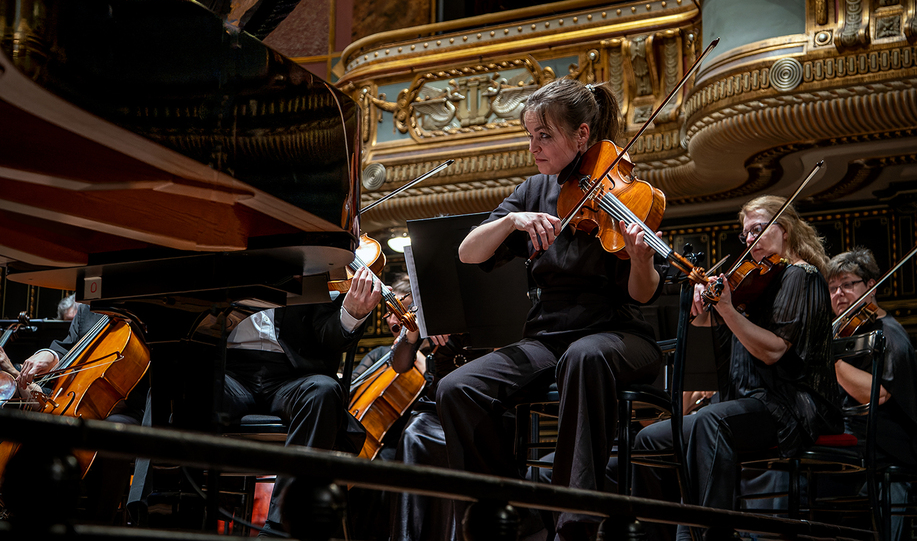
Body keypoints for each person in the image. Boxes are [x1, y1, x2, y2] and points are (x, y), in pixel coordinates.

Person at [438, 78, 665, 541]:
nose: (533, 146)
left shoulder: (626, 193)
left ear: (581, 135)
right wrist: (510, 220)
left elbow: (642, 295)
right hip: (547, 339)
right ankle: (513, 521)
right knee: (456, 388)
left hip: (618, 333)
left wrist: (641, 259)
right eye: (529, 135)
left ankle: (574, 522)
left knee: (585, 356)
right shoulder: (533, 191)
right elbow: (467, 253)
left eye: (545, 135)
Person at [631, 195, 843, 541]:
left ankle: (712, 535)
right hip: (744, 401)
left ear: (785, 230)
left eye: (758, 230)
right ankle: (657, 535)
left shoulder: (800, 277)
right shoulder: (754, 285)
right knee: (649, 438)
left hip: (788, 405)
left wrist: (727, 309)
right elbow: (716, 343)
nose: (750, 240)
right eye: (746, 234)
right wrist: (703, 311)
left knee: (710, 422)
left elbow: (773, 351)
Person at [221, 267, 382, 537]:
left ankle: (282, 528)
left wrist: (351, 313)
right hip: (229, 371)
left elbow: (327, 336)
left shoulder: (313, 262)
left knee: (323, 391)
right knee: (175, 385)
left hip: (291, 376)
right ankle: (157, 505)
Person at [12, 294, 147, 523]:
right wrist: (48, 355)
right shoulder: (89, 308)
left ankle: (99, 525)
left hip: (127, 409)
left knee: (110, 436)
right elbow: (67, 348)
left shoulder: (148, 308)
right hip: (77, 402)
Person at [824, 247, 917, 537]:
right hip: (858, 435)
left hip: (887, 442)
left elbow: (877, 395)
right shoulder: (848, 333)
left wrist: (829, 359)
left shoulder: (889, 334)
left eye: (847, 284)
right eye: (832, 288)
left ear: (871, 286)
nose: (838, 294)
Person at [386, 275, 491, 541]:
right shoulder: (430, 301)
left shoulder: (485, 299)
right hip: (436, 406)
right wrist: (414, 330)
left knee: (461, 444)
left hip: (479, 402)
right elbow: (399, 366)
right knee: (413, 434)